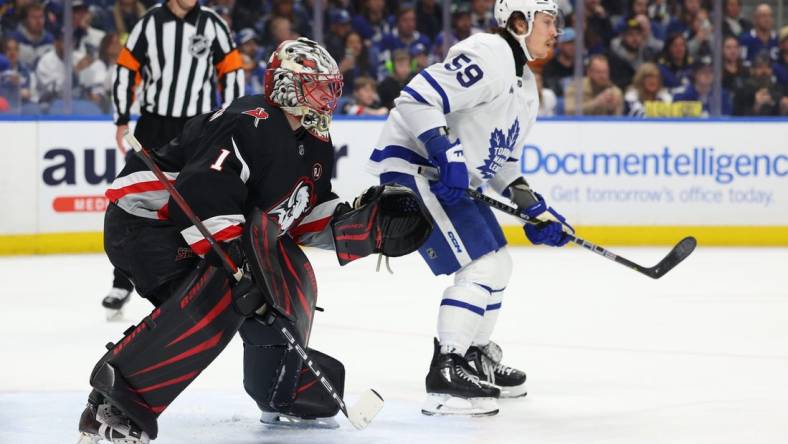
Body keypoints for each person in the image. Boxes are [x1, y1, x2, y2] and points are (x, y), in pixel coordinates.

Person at [77, 37, 430, 443]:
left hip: (204, 227)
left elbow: (293, 216)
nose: (328, 96)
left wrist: (360, 225)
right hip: (146, 222)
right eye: (318, 85)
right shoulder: (250, 120)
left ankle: (282, 386)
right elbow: (201, 191)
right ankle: (115, 403)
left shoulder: (315, 143)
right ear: (287, 85)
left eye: (331, 87)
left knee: (291, 273)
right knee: (224, 291)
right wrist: (241, 269)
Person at [367, 0, 573, 416]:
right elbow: (416, 99)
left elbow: (503, 162)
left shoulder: (527, 88)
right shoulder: (488, 54)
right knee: (481, 266)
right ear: (520, 22)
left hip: (442, 176)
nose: (557, 32)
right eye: (549, 22)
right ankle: (446, 373)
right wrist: (445, 151)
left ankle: (475, 357)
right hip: (415, 168)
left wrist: (533, 207)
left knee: (499, 263)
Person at [101, 0, 245, 318]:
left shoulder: (213, 25)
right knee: (135, 201)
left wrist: (231, 119)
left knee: (193, 198)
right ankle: (122, 281)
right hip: (154, 123)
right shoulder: (149, 23)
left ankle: (191, 274)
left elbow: (232, 72)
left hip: (196, 126)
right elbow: (126, 70)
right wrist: (121, 118)